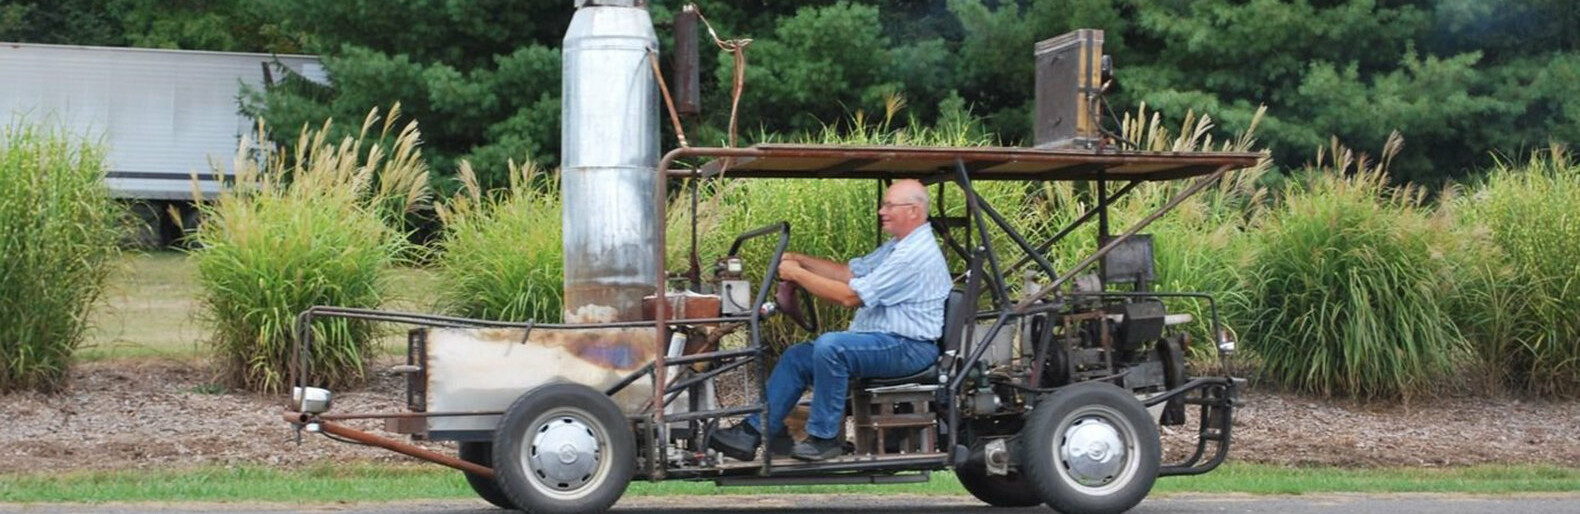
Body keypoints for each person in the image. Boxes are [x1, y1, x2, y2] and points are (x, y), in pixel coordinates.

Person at [709, 179, 952, 462]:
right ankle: (753, 433)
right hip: (885, 343)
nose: (881, 211)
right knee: (798, 357)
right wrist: (800, 260)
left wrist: (798, 275)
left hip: (908, 347)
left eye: (889, 205)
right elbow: (850, 274)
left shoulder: (914, 254)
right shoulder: (898, 247)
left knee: (832, 347)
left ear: (913, 211)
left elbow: (850, 296)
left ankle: (824, 439)